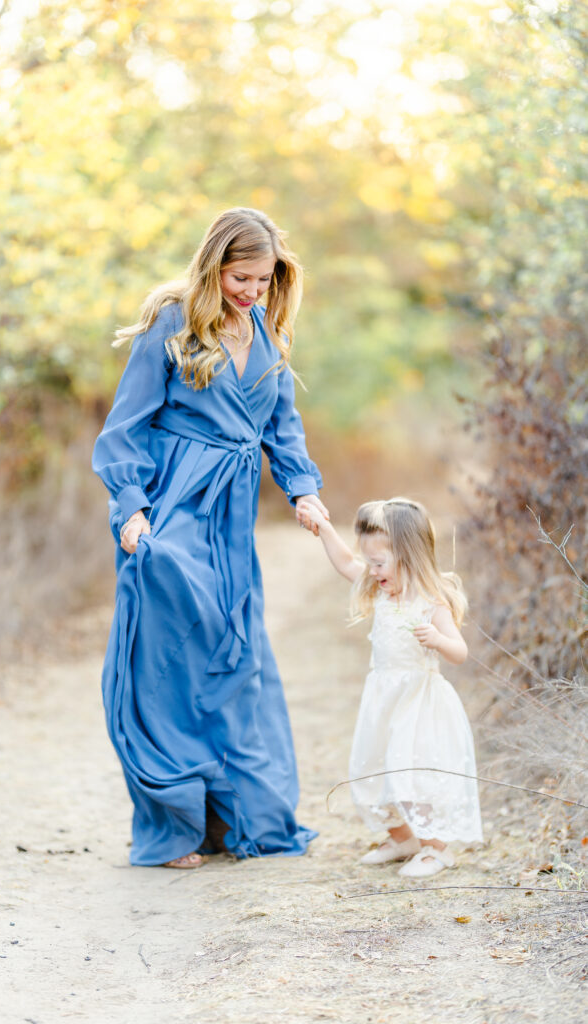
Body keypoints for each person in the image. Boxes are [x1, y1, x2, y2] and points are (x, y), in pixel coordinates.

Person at [92, 208, 328, 868]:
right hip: (169, 512)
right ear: (214, 265)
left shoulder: (268, 333)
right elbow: (125, 427)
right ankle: (171, 825)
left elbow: (283, 428)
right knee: (164, 667)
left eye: (263, 279)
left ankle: (229, 818)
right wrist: (130, 509)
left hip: (231, 521)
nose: (251, 291)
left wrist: (303, 490)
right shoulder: (173, 321)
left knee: (234, 659)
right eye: (240, 277)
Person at [296, 496, 483, 877]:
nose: (372, 570)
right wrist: (324, 528)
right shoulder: (381, 589)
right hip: (383, 701)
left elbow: (460, 652)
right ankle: (403, 838)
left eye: (379, 562)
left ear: (408, 556)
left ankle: (436, 848)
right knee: (376, 769)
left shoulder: (432, 602)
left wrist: (439, 640)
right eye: (371, 561)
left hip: (420, 705)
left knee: (416, 772)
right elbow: (347, 562)